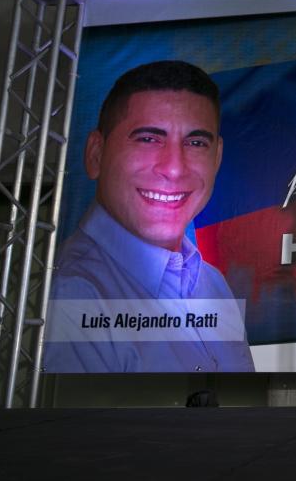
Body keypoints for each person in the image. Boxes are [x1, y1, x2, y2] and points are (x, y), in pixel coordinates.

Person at [44, 61, 255, 373]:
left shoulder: (212, 283)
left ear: (217, 158)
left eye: (196, 142)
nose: (173, 168)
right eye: (148, 139)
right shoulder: (72, 293)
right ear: (96, 155)